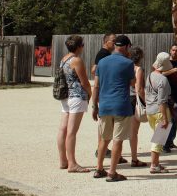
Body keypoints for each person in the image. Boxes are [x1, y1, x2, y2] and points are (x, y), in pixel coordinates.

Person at [91, 34, 135, 182]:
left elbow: (96, 85)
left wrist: (94, 106)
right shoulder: (128, 63)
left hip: (104, 105)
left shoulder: (102, 62)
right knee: (118, 140)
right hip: (121, 105)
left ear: (115, 45)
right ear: (127, 46)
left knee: (104, 139)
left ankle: (99, 169)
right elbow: (132, 83)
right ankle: (112, 172)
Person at [56, 35, 92, 172]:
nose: (83, 47)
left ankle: (63, 161)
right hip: (77, 97)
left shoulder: (64, 59)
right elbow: (84, 82)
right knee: (72, 132)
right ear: (78, 46)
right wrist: (91, 94)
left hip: (66, 96)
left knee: (62, 130)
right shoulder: (77, 60)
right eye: (82, 45)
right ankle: (72, 164)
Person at [146, 52, 173, 174]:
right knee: (158, 139)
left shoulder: (150, 75)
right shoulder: (163, 80)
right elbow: (162, 101)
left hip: (150, 110)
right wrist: (165, 119)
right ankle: (154, 165)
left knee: (157, 137)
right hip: (160, 111)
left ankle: (156, 163)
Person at [128, 46, 148, 168]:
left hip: (124, 98)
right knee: (133, 132)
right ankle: (134, 158)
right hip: (134, 99)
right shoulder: (138, 69)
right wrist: (145, 102)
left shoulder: (125, 67)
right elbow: (139, 88)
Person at [163, 44, 177, 153]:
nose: (175, 52)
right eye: (173, 50)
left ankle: (171, 141)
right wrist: (174, 70)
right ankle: (164, 144)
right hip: (167, 96)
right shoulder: (165, 63)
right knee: (167, 120)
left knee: (176, 120)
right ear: (170, 51)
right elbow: (160, 73)